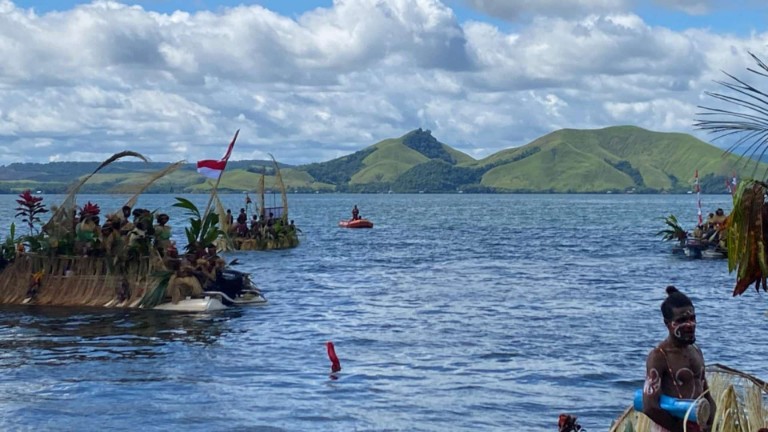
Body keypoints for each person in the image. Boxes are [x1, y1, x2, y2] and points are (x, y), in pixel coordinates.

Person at [642, 286, 715, 432]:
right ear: (667, 323)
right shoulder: (659, 356)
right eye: (681, 320)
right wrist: (680, 429)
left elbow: (706, 394)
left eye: (692, 318)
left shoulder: (696, 351)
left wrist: (709, 423)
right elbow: (650, 406)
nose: (689, 325)